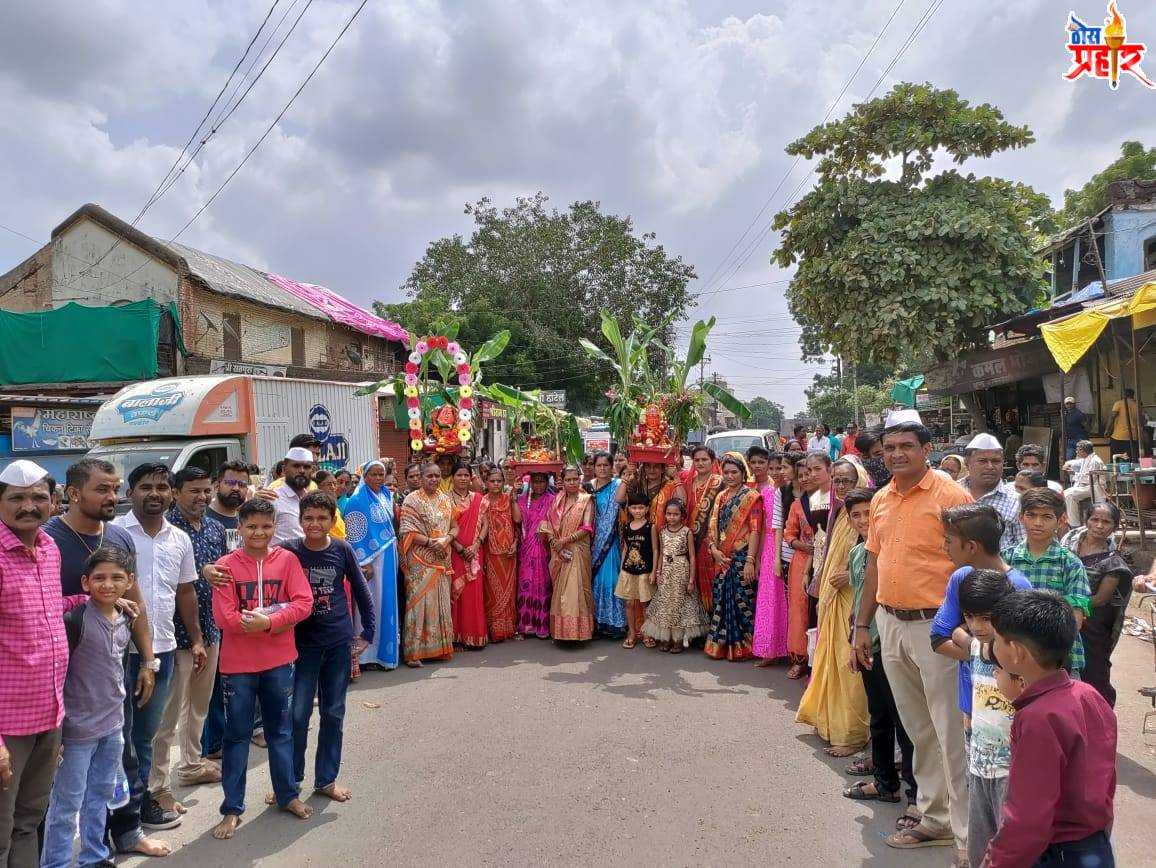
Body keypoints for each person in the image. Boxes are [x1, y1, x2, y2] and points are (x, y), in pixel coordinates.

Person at [851, 419, 973, 857]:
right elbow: (874, 568)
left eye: (906, 446)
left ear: (927, 448)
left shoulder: (952, 496)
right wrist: (862, 627)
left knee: (948, 731)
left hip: (937, 629)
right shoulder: (881, 498)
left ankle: (966, 838)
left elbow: (972, 566)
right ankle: (935, 818)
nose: (896, 454)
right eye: (889, 447)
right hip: (890, 622)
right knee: (918, 730)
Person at [42, 458, 170, 857]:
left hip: (115, 670)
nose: (113, 497)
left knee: (123, 758)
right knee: (63, 778)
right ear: (75, 493)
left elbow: (137, 602)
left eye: (115, 488)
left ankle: (124, 834)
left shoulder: (119, 536)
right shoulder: (49, 539)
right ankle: (55, 855)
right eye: (103, 489)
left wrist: (147, 660)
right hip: (61, 677)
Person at [0, 461, 93, 866]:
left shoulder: (49, 548)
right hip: (7, 726)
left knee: (27, 820)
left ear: (53, 501)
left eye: (38, 497)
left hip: (48, 714)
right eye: (16, 498)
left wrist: (93, 600)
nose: (28, 506)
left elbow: (46, 609)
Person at [984, 590, 1117, 867]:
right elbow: (1106, 778)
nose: (992, 648)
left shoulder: (1037, 718)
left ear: (1017, 652)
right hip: (1095, 845)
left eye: (996, 640)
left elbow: (1028, 818)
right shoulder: (1088, 694)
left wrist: (996, 861)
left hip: (1058, 853)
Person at [209, 497, 313, 840]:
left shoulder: (287, 561)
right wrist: (249, 625)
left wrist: (267, 622)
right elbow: (223, 616)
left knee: (280, 732)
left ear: (275, 527)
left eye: (266, 526)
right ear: (239, 528)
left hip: (280, 661)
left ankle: (287, 795)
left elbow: (304, 603)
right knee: (237, 736)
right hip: (238, 666)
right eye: (251, 526)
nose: (259, 532)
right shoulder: (225, 565)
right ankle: (232, 809)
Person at [112, 463, 200, 831]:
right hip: (115, 652)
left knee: (146, 735)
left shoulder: (179, 538)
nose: (155, 493)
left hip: (162, 648)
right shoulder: (113, 534)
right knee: (115, 737)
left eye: (162, 487)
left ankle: (140, 804)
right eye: (146, 486)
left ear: (171, 493)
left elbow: (185, 591)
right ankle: (111, 813)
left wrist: (195, 639)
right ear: (130, 492)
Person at [41, 547, 136, 868]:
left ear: (129, 581)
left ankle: (94, 856)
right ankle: (54, 863)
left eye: (116, 578)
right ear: (85, 582)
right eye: (99, 578)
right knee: (66, 804)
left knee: (100, 797)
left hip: (113, 726)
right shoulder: (75, 620)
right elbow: (57, 675)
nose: (107, 585)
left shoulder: (126, 617)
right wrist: (56, 732)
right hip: (77, 731)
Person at [283, 491, 374, 804]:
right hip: (300, 645)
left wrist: (368, 633)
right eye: (308, 518)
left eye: (322, 518)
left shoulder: (341, 548)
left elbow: (362, 592)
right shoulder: (288, 551)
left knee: (333, 713)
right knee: (297, 716)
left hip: (337, 642)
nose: (315, 524)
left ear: (333, 520)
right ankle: (289, 783)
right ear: (300, 520)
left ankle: (326, 780)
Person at [148, 467, 228, 818]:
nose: (202, 497)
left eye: (206, 490)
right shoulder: (165, 530)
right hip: (175, 636)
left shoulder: (213, 526)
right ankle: (157, 786)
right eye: (194, 490)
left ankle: (192, 765)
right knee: (168, 715)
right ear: (176, 492)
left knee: (199, 703)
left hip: (210, 630)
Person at [841, 488, 918, 822]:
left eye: (867, 514)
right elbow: (861, 598)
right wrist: (854, 635)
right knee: (880, 717)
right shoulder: (859, 554)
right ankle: (884, 782)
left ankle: (917, 796)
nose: (862, 521)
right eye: (855, 515)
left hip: (894, 645)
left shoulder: (894, 553)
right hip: (867, 644)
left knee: (907, 723)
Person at [937, 569, 1020, 868]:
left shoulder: (1018, 657)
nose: (978, 625)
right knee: (979, 847)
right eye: (971, 616)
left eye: (986, 618)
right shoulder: (974, 646)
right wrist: (969, 733)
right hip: (979, 763)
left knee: (1007, 845)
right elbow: (972, 700)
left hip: (1011, 770)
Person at [931, 504, 1031, 738]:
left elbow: (1022, 657)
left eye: (949, 541)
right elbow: (937, 639)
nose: (944, 547)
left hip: (1011, 707)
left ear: (971, 547)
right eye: (969, 617)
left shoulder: (1019, 586)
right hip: (971, 702)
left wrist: (963, 636)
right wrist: (986, 652)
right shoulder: (960, 578)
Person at [796, 458, 870, 757]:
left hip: (856, 601)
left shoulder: (866, 512)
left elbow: (874, 558)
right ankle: (830, 723)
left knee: (847, 663)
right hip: (834, 597)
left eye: (847, 481)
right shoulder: (839, 511)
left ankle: (853, 733)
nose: (840, 486)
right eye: (837, 481)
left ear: (860, 480)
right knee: (830, 659)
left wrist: (850, 576)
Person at [1003, 487, 1091, 677]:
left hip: (1058, 660)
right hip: (1013, 657)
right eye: (1031, 515)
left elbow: (1075, 620)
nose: (1038, 523)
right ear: (1021, 517)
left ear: (1061, 521)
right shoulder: (1007, 558)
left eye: (1047, 517)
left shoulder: (1070, 563)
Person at [1060, 502, 1132, 706]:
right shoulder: (1067, 549)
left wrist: (1069, 607)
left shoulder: (1113, 563)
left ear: (1114, 527)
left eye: (1106, 522)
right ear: (1086, 521)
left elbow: (1100, 599)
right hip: (1062, 618)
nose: (1100, 525)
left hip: (1091, 626)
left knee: (1093, 673)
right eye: (1095, 519)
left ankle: (1099, 715)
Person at [704, 452, 762, 661]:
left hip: (741, 557)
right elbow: (712, 524)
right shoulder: (721, 496)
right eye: (726, 472)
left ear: (742, 472)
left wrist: (750, 561)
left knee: (743, 601)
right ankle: (721, 646)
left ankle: (745, 646)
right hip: (721, 557)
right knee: (721, 599)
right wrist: (714, 550)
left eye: (734, 472)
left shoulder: (751, 497)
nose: (729, 476)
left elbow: (756, 530)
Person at [342, 460, 400, 669]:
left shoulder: (386, 495)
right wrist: (362, 563)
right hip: (370, 561)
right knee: (370, 604)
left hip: (388, 558)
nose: (377, 478)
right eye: (373, 474)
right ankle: (366, 655)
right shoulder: (356, 500)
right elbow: (354, 532)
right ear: (365, 476)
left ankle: (385, 652)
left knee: (387, 603)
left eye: (380, 474)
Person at [399, 464, 456, 666]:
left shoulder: (445, 499)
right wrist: (432, 543)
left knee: (440, 600)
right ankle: (414, 652)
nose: (434, 479)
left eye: (437, 476)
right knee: (419, 601)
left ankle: (439, 648)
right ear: (421, 478)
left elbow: (454, 527)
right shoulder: (412, 500)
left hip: (441, 557)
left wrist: (447, 540)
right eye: (429, 476)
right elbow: (407, 531)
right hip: (419, 559)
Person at [642, 499, 708, 652]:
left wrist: (691, 580)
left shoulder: (687, 532)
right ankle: (666, 638)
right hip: (666, 571)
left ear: (682, 515)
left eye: (675, 514)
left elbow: (691, 557)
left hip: (681, 571)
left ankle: (678, 640)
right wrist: (658, 572)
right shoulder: (663, 532)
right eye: (668, 514)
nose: (671, 517)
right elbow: (660, 553)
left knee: (679, 604)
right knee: (666, 604)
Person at [542, 465, 594, 642]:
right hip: (559, 552)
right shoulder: (556, 500)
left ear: (579, 479)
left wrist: (564, 541)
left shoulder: (586, 500)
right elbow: (546, 525)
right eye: (568, 480)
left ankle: (579, 632)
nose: (572, 483)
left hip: (577, 551)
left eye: (574, 479)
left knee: (575, 591)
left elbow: (587, 527)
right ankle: (561, 632)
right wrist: (555, 545)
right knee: (560, 592)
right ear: (562, 482)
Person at [752, 450, 787, 666]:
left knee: (789, 600)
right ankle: (769, 649)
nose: (776, 472)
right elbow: (763, 527)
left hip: (788, 546)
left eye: (780, 468)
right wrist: (757, 557)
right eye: (772, 468)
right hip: (769, 549)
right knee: (769, 599)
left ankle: (791, 648)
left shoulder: (795, 492)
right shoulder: (765, 493)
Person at [961, 433, 1024, 552]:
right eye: (982, 461)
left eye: (996, 461)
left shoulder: (1016, 502)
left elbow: (1022, 548)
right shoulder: (952, 492)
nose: (990, 467)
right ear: (967, 463)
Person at [448, 462, 488, 648]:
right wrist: (459, 547)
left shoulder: (478, 499)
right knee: (457, 594)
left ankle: (474, 636)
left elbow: (485, 524)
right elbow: (444, 527)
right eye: (459, 475)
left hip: (474, 553)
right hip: (455, 552)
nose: (463, 478)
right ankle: (457, 637)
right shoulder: (445, 500)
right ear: (452, 477)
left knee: (473, 594)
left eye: (466, 475)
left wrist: (476, 544)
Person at [782, 457, 815, 679]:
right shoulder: (797, 504)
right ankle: (800, 658)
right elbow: (788, 534)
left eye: (809, 473)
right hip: (802, 561)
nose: (805, 479)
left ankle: (820, 663)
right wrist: (804, 546)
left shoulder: (832, 502)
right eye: (801, 475)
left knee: (821, 612)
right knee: (800, 612)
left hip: (827, 560)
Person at [588, 451, 627, 638]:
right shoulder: (587, 488)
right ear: (593, 467)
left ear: (612, 467)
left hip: (611, 542)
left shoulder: (618, 485)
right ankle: (596, 622)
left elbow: (620, 502)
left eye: (606, 465)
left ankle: (614, 623)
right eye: (598, 465)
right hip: (591, 542)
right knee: (594, 582)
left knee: (610, 581)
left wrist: (627, 477)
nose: (602, 469)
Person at [682, 445, 723, 613]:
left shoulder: (720, 483)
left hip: (711, 541)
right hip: (691, 540)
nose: (700, 463)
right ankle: (695, 624)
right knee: (693, 580)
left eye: (704, 459)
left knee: (711, 580)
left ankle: (712, 625)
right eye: (696, 460)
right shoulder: (687, 483)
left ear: (712, 461)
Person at [481, 467, 520, 642]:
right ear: (486, 483)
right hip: (490, 552)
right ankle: (495, 630)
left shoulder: (507, 499)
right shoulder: (482, 502)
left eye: (499, 481)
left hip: (509, 553)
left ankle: (508, 629)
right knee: (493, 592)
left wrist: (513, 501)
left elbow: (517, 521)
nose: (496, 484)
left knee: (509, 591)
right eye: (492, 481)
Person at [516, 473, 556, 639]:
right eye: (535, 481)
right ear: (530, 482)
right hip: (526, 549)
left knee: (543, 584)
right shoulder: (522, 500)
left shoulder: (553, 500)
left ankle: (543, 624)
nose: (539, 485)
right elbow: (517, 522)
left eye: (542, 481)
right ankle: (526, 625)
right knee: (526, 583)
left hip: (544, 548)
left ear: (547, 482)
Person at [616, 494, 655, 649]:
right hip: (628, 570)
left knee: (645, 603)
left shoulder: (650, 527)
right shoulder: (626, 527)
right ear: (629, 509)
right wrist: (621, 569)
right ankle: (632, 633)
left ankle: (646, 633)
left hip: (644, 571)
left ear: (647, 509)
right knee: (629, 603)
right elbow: (625, 548)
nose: (637, 511)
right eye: (634, 507)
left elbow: (655, 549)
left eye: (641, 508)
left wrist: (653, 571)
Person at [271, 447, 315, 544]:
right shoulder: (273, 498)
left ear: (312, 470)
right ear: (284, 469)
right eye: (296, 466)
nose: (302, 471)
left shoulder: (312, 500)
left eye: (307, 467)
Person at [209, 460, 251, 552]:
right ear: (216, 486)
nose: (236, 488)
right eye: (230, 483)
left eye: (242, 484)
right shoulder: (201, 518)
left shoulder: (247, 520)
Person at [1063, 440, 1106, 528]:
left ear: (1083, 450)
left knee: (1069, 494)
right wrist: (1067, 464)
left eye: (1078, 450)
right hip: (1086, 487)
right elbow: (1073, 462)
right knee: (1065, 494)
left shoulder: (1095, 461)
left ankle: (1074, 524)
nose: (1076, 452)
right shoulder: (1085, 459)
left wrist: (1075, 474)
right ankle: (1071, 522)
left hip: (1094, 487)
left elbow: (1089, 479)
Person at [311, 470, 347, 539]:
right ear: (318, 486)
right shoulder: (315, 508)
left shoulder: (333, 506)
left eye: (335, 483)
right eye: (329, 484)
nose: (333, 487)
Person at [1108, 387, 1142, 460]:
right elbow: (1143, 420)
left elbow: (1112, 417)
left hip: (1118, 436)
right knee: (1130, 459)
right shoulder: (1138, 405)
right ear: (1132, 395)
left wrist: (1107, 430)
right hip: (1133, 436)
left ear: (1124, 395)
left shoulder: (1119, 403)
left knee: (1115, 459)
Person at [1062, 396, 1089, 461]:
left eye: (1071, 403)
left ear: (1074, 404)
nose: (1069, 405)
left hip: (1079, 439)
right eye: (1067, 404)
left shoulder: (1079, 414)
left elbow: (1086, 426)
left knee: (1082, 459)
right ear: (1065, 405)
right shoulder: (1065, 414)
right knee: (1069, 459)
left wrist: (1083, 439)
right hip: (1070, 439)